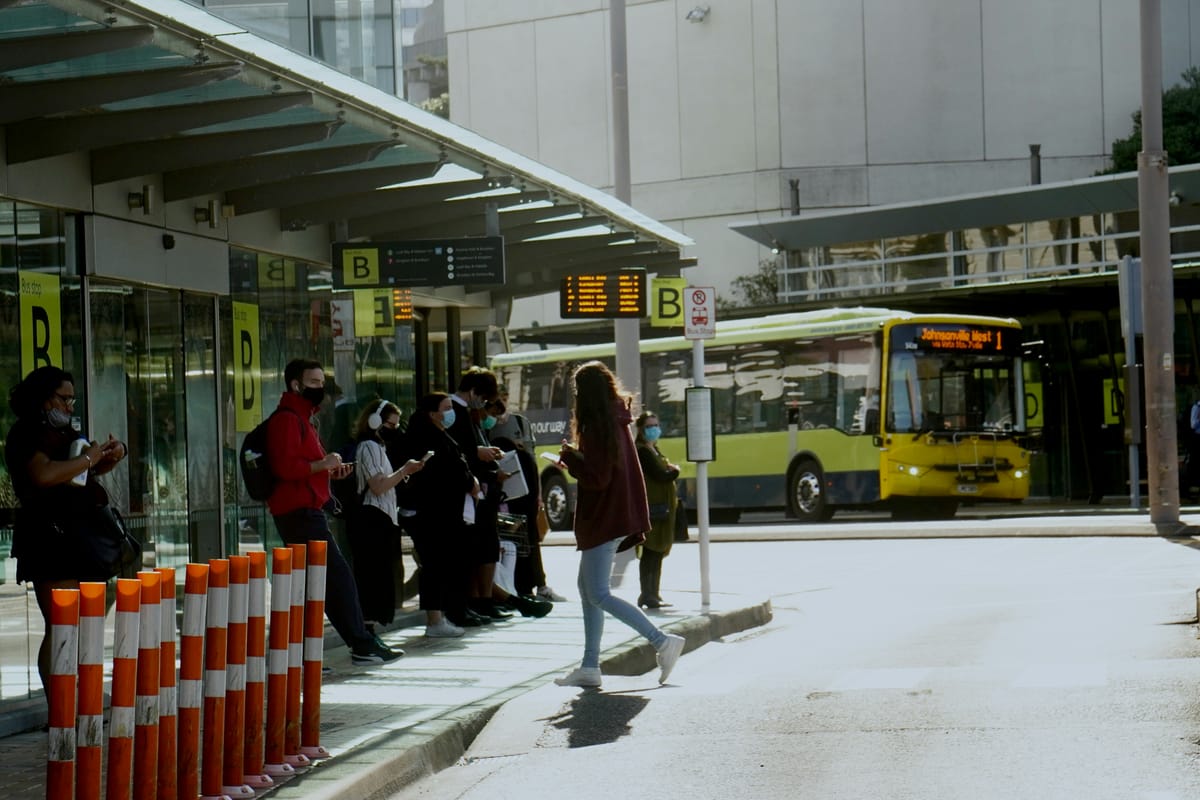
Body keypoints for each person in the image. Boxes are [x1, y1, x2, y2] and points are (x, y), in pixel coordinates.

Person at [553, 361, 685, 688]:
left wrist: (569, 458)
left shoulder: (598, 424)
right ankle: (589, 666)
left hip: (604, 516)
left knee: (597, 593)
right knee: (588, 591)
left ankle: (661, 641)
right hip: (617, 514)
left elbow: (597, 478)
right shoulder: (617, 418)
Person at [266, 358, 402, 665]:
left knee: (317, 584)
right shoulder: (288, 419)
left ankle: (322, 651)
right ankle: (360, 642)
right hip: (298, 512)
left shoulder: (305, 418)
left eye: (321, 383)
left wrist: (328, 472)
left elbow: (303, 468)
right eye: (313, 383)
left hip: (306, 509)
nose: (320, 388)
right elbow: (286, 468)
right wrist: (323, 465)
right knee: (337, 577)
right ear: (295, 385)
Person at [5, 366, 129, 699]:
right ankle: (60, 704)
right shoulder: (26, 433)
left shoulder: (64, 433)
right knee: (61, 624)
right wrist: (89, 459)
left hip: (80, 538)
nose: (69, 407)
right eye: (64, 399)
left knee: (85, 619)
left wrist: (108, 455)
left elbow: (82, 468)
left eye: (72, 400)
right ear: (44, 398)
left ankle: (80, 692)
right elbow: (44, 474)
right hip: (49, 539)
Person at [397, 392, 478, 635]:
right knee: (434, 564)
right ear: (432, 413)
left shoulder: (440, 435)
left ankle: (440, 616)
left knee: (440, 564)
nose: (450, 412)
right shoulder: (426, 438)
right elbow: (445, 472)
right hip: (433, 513)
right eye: (446, 408)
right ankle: (434, 619)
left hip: (444, 512)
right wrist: (468, 481)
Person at [345, 399, 426, 628]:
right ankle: (367, 630)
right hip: (373, 518)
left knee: (378, 577)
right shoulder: (369, 446)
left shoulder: (378, 446)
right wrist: (404, 470)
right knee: (373, 577)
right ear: (375, 421)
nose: (394, 430)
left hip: (382, 517)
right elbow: (378, 486)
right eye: (390, 425)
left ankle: (371, 629)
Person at [634, 410, 680, 609]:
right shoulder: (642, 451)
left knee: (658, 551)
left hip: (661, 508)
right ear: (641, 429)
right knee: (651, 550)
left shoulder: (654, 450)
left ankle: (655, 593)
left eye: (656, 425)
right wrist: (675, 471)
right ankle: (647, 594)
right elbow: (659, 476)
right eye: (649, 426)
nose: (654, 429)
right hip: (652, 508)